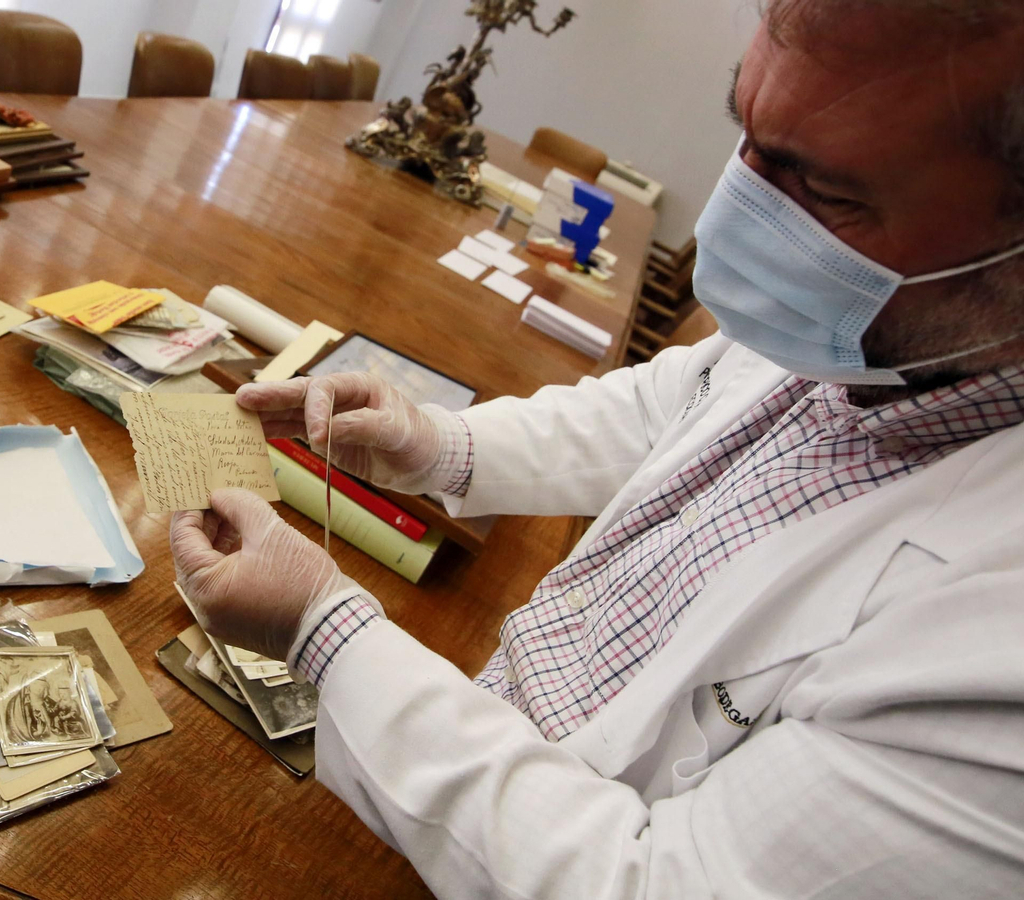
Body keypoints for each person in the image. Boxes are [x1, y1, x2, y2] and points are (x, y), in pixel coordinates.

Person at [169, 1, 1024, 896]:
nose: (742, 204)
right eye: (746, 133)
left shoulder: (992, 653)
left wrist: (323, 631)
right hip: (460, 725)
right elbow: (668, 406)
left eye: (829, 193)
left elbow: (650, 884)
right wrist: (440, 446)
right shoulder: (861, 336)